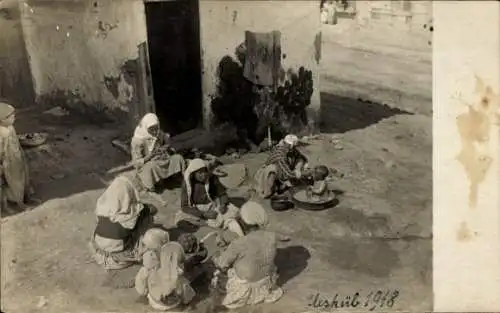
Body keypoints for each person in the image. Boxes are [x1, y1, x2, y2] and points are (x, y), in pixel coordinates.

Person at [89, 163, 169, 271]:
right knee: (147, 218)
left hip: (99, 249)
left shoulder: (102, 205)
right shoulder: (135, 211)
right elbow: (153, 209)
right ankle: (139, 247)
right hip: (119, 256)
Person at [212, 201, 284, 309]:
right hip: (265, 282)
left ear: (243, 222)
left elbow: (222, 264)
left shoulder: (239, 243)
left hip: (245, 287)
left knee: (218, 266)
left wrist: (216, 258)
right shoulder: (272, 237)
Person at [175, 158, 244, 237]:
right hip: (197, 209)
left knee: (230, 215)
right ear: (193, 173)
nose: (203, 175)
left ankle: (228, 226)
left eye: (204, 171)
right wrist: (203, 214)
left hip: (213, 205)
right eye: (200, 173)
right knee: (180, 219)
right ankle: (209, 223)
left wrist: (223, 205)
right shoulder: (187, 183)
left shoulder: (212, 178)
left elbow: (222, 194)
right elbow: (185, 206)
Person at [135, 233, 201, 311]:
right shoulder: (177, 271)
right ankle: (185, 304)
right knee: (184, 285)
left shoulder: (148, 267)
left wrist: (146, 292)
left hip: (154, 301)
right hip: (170, 304)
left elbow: (140, 287)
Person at [130, 113, 187, 186]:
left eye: (156, 128)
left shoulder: (159, 133)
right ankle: (157, 182)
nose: (155, 132)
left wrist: (163, 148)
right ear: (145, 128)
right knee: (151, 167)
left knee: (178, 158)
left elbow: (168, 143)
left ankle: (172, 178)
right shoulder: (137, 140)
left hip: (162, 159)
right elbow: (136, 163)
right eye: (151, 130)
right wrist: (151, 155)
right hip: (149, 163)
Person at [0, 102, 37, 210]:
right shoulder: (2, 133)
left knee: (24, 178)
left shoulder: (10, 128)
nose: (14, 117)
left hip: (18, 158)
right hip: (10, 162)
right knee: (15, 183)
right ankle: (18, 204)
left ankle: (26, 198)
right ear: (2, 120)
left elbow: (15, 142)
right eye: (11, 116)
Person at [254, 134, 308, 198]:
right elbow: (289, 173)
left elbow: (302, 158)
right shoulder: (280, 155)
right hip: (266, 174)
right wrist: (301, 174)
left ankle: (281, 184)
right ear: (290, 145)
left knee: (297, 162)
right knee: (272, 169)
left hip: (282, 171)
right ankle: (269, 190)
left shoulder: (291, 150)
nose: (296, 147)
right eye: (294, 146)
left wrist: (298, 168)